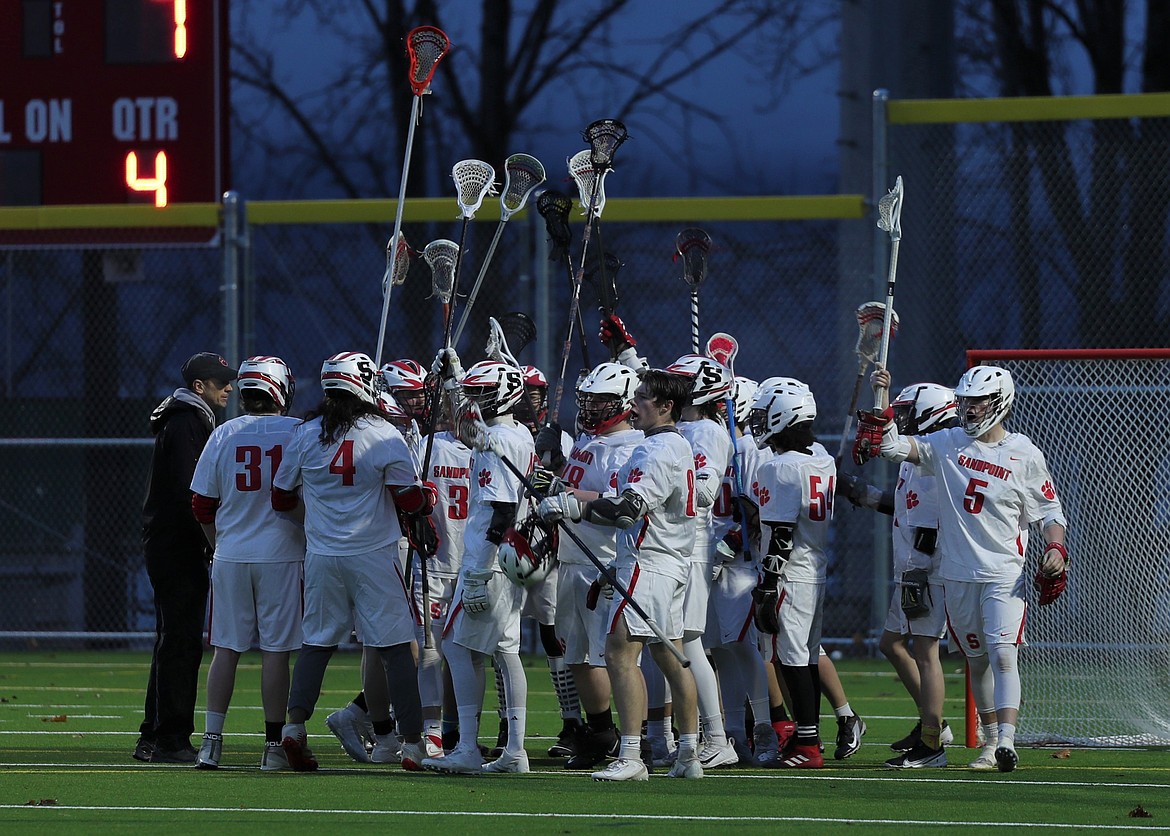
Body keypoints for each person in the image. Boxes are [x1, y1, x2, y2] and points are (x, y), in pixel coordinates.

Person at [855, 364, 1068, 772]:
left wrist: (1055, 546)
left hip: (1005, 572)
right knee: (978, 660)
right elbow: (892, 447)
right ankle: (989, 744)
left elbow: (1048, 511)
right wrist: (880, 396)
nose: (970, 409)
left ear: (999, 401)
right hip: (956, 574)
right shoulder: (947, 442)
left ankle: (1006, 740)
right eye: (966, 401)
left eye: (979, 401)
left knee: (1004, 654)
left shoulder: (1023, 452)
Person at [539, 369, 702, 781]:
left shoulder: (655, 450)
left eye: (644, 397)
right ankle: (689, 754)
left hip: (647, 561)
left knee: (618, 654)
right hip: (668, 561)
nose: (636, 404)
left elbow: (628, 510)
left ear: (666, 407)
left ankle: (630, 754)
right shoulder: (676, 445)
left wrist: (572, 507)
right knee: (671, 656)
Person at [271, 351, 431, 772]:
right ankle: (413, 744)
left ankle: (293, 730)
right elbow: (410, 499)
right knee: (396, 650)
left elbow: (281, 497)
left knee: (316, 645)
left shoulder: (306, 434)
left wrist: (315, 524)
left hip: (323, 555)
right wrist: (426, 496)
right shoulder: (382, 434)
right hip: (374, 554)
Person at [421, 354, 538, 775]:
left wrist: (477, 571)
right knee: (506, 652)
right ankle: (515, 751)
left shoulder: (502, 441)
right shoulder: (517, 431)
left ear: (505, 393)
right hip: (511, 560)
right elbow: (471, 429)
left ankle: (468, 746)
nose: (476, 400)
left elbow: (503, 509)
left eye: (483, 393)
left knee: (455, 646)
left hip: (489, 560)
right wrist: (453, 381)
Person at [189, 356, 304, 770]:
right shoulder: (299, 432)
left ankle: (211, 743)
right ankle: (273, 747)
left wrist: (219, 544)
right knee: (275, 653)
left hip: (233, 555)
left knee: (226, 650)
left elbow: (202, 504)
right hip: (284, 554)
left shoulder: (223, 434)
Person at [839, 381, 959, 768]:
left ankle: (933, 739)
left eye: (908, 412)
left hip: (926, 566)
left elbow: (933, 523)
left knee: (925, 650)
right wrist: (869, 497)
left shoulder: (938, 454)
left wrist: (919, 573)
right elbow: (908, 509)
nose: (903, 420)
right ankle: (932, 723)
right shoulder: (919, 455)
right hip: (913, 565)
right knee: (891, 644)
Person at [134, 351, 237, 764]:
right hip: (176, 543)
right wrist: (211, 537)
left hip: (169, 541)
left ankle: (155, 734)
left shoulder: (187, 419)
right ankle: (171, 738)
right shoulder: (187, 421)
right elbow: (191, 491)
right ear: (200, 387)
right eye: (220, 380)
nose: (228, 386)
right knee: (180, 641)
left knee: (173, 639)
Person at [548, 361, 643, 770]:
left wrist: (567, 496)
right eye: (588, 399)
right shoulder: (589, 443)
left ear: (625, 403)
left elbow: (617, 506)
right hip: (573, 558)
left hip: (602, 561)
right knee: (577, 657)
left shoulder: (630, 448)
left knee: (612, 658)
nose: (591, 408)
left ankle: (639, 742)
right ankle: (601, 732)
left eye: (602, 401)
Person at [749, 380, 836, 769]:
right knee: (806, 657)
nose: (759, 422)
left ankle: (808, 743)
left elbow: (781, 534)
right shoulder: (821, 457)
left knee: (793, 659)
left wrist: (768, 585)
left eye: (766, 414)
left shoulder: (778, 468)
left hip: (790, 573)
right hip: (814, 568)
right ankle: (807, 737)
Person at [663, 353, 739, 770]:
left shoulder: (707, 431)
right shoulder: (687, 427)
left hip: (690, 544)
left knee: (688, 640)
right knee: (672, 640)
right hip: (672, 542)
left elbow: (704, 491)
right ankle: (692, 733)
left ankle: (715, 736)